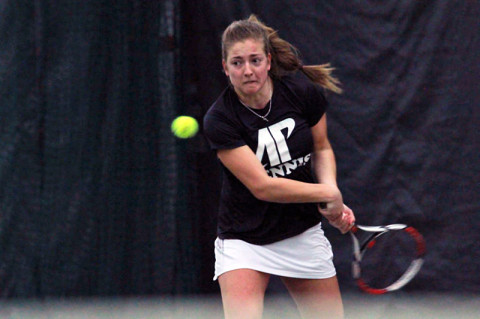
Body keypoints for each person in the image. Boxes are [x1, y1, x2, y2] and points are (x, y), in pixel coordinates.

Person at [203, 15, 355, 319]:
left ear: (269, 61)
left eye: (255, 60)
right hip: (245, 241)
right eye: (237, 63)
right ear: (225, 67)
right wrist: (325, 193)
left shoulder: (301, 91)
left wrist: (331, 194)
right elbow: (263, 187)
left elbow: (322, 148)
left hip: (301, 233)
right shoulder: (219, 120)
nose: (247, 71)